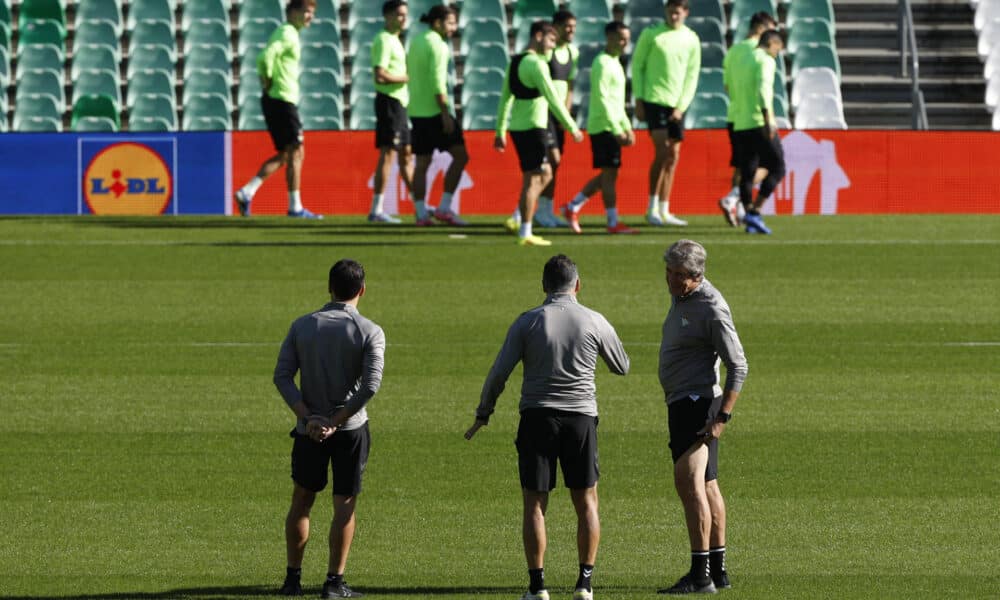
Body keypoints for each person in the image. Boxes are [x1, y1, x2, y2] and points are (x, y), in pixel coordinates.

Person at [466, 254, 630, 600]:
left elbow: (499, 373)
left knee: (535, 503)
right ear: (578, 284)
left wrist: (485, 411)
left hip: (537, 418)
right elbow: (622, 366)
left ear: (544, 285)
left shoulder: (528, 322)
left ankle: (537, 586)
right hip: (581, 419)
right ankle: (584, 583)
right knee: (586, 501)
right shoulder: (593, 320)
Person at [273, 259, 386, 599]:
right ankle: (334, 583)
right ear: (362, 290)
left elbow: (282, 376)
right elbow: (371, 385)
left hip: (308, 431)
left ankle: (292, 581)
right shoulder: (369, 330)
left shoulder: (303, 325)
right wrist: (336, 421)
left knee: (302, 500)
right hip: (350, 430)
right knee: (344, 503)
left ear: (329, 287)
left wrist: (309, 419)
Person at [656, 240, 747, 595]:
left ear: (696, 276)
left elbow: (738, 365)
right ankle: (719, 570)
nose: (671, 280)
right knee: (707, 487)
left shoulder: (711, 307)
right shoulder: (683, 297)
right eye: (669, 272)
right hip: (685, 401)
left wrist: (722, 416)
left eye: (679, 276)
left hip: (696, 404)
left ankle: (700, 575)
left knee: (689, 485)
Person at [495, 21, 584, 247]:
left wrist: (501, 130)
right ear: (538, 36)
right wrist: (572, 126)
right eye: (551, 40)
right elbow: (553, 97)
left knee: (536, 176)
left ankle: (520, 220)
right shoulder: (537, 64)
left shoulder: (514, 62)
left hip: (518, 127)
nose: (553, 46)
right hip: (535, 127)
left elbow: (506, 97)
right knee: (539, 176)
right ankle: (525, 229)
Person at [234, 0, 322, 219]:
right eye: (306, 12)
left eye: (312, 13)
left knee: (286, 154)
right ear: (293, 12)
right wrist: (268, 79)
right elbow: (264, 57)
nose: (310, 16)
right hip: (282, 99)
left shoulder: (287, 32)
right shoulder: (288, 33)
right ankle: (295, 208)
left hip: (278, 99)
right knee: (297, 151)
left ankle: (247, 192)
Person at [561, 21, 637, 235]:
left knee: (608, 175)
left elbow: (618, 101)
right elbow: (603, 99)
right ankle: (611, 221)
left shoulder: (616, 63)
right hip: (603, 126)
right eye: (621, 38)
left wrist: (627, 127)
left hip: (611, 125)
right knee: (609, 175)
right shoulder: (602, 63)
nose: (625, 43)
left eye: (627, 39)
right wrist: (616, 129)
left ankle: (573, 206)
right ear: (610, 37)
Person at [632, 0, 701, 227]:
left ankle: (665, 209)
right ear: (665, 11)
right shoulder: (651, 34)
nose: (674, 16)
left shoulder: (691, 39)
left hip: (677, 105)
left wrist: (682, 105)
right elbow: (638, 67)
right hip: (654, 100)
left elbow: (692, 75)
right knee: (662, 151)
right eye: (670, 12)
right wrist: (639, 99)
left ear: (686, 13)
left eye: (678, 12)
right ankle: (651, 207)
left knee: (673, 157)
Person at [406, 4, 469, 226]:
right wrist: (444, 113)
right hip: (435, 111)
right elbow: (437, 81)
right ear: (438, 23)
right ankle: (444, 207)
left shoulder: (416, 41)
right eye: (451, 22)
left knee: (421, 163)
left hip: (416, 111)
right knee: (461, 156)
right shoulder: (439, 46)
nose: (454, 27)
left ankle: (421, 213)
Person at [718, 11, 777, 227]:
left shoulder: (734, 51)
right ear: (762, 27)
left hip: (735, 116)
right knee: (770, 164)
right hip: (755, 118)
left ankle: (741, 207)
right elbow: (762, 88)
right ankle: (734, 198)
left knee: (743, 166)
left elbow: (726, 86)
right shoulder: (760, 52)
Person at [730, 30, 786, 235]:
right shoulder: (766, 60)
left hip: (740, 122)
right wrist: (767, 120)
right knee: (778, 167)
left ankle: (750, 216)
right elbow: (763, 90)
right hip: (758, 121)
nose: (778, 54)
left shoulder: (743, 58)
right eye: (777, 49)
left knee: (747, 172)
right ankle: (755, 211)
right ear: (771, 42)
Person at [368, 0, 414, 224]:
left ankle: (420, 207)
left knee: (406, 152)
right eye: (399, 15)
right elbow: (380, 74)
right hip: (389, 102)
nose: (403, 19)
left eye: (405, 15)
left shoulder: (396, 39)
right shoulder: (384, 39)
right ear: (387, 16)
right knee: (388, 154)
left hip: (400, 102)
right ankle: (376, 209)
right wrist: (405, 78)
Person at [536, 9, 579, 228]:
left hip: (560, 117)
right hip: (544, 114)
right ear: (556, 27)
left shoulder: (573, 52)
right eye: (567, 26)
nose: (571, 30)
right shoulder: (547, 53)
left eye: (573, 26)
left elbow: (569, 86)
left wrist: (566, 114)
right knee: (550, 162)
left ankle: (546, 210)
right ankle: (534, 211)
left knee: (556, 163)